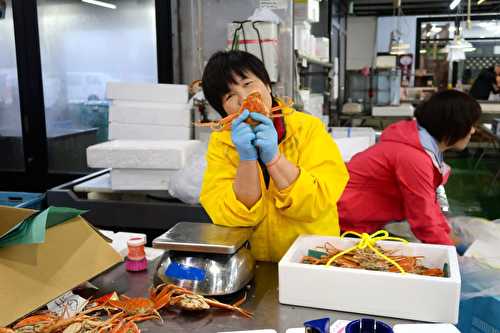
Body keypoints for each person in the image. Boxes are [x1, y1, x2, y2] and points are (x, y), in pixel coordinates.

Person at [199, 50, 348, 262]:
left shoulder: (308, 129)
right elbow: (230, 216)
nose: (244, 98)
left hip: (312, 258)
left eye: (248, 84)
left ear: (268, 85)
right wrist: (247, 160)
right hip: (253, 263)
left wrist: (274, 158)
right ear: (224, 111)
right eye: (230, 96)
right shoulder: (221, 144)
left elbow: (317, 201)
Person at [338, 90, 481, 245]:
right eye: (471, 124)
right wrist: (453, 255)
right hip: (346, 227)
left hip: (358, 222)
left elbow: (430, 206)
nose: (473, 130)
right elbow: (424, 221)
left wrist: (450, 237)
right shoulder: (413, 158)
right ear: (454, 124)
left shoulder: (420, 149)